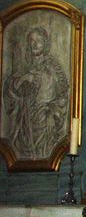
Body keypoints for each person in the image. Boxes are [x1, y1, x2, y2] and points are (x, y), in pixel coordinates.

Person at [3, 26, 69, 159]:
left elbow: (62, 93)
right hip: (25, 122)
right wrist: (23, 80)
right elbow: (12, 94)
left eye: (38, 40)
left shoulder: (53, 67)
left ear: (45, 43)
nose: (35, 44)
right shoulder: (25, 68)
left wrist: (51, 110)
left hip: (44, 122)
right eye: (32, 40)